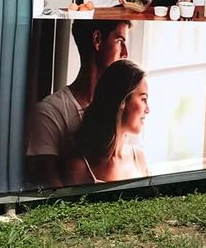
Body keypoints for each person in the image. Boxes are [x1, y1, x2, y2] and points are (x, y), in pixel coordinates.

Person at [25, 20, 130, 188]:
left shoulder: (123, 112)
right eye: (120, 41)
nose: (126, 54)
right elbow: (50, 188)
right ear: (97, 40)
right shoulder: (49, 113)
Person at [66, 60, 150, 185]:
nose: (148, 110)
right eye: (143, 99)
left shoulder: (139, 158)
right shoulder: (81, 167)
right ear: (123, 101)